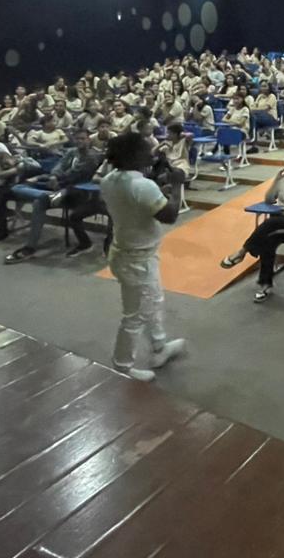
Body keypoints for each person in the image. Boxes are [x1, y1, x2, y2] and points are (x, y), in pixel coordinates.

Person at [99, 132, 187, 382]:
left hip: (125, 251)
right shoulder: (142, 186)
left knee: (154, 299)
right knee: (134, 316)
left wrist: (159, 190)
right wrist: (178, 185)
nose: (152, 152)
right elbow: (169, 215)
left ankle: (160, 346)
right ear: (134, 155)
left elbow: (135, 201)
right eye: (146, 149)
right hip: (137, 259)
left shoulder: (109, 179)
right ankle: (122, 366)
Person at [226, 152, 284, 297]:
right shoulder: (282, 182)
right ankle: (266, 284)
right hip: (281, 221)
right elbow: (269, 200)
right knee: (267, 241)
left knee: (271, 222)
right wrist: (276, 181)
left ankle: (242, 251)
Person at [0, 129, 102, 261]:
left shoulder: (92, 157)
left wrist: (56, 180)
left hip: (77, 192)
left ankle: (30, 247)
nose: (80, 141)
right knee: (17, 188)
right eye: (77, 139)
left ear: (89, 140)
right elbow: (59, 166)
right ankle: (47, 195)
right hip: (59, 188)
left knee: (41, 200)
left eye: (83, 138)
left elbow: (75, 174)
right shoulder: (71, 152)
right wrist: (53, 176)